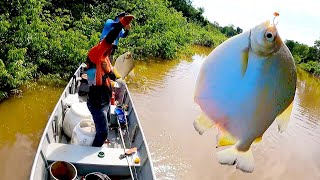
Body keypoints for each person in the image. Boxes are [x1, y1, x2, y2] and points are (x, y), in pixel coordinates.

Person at [86, 14, 134, 147]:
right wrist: (122, 23)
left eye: (112, 47)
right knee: (103, 133)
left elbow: (112, 76)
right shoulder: (95, 54)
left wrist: (113, 73)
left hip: (105, 99)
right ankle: (94, 150)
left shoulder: (106, 58)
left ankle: (102, 137)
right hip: (96, 102)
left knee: (105, 122)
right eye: (109, 46)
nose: (111, 49)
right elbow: (110, 37)